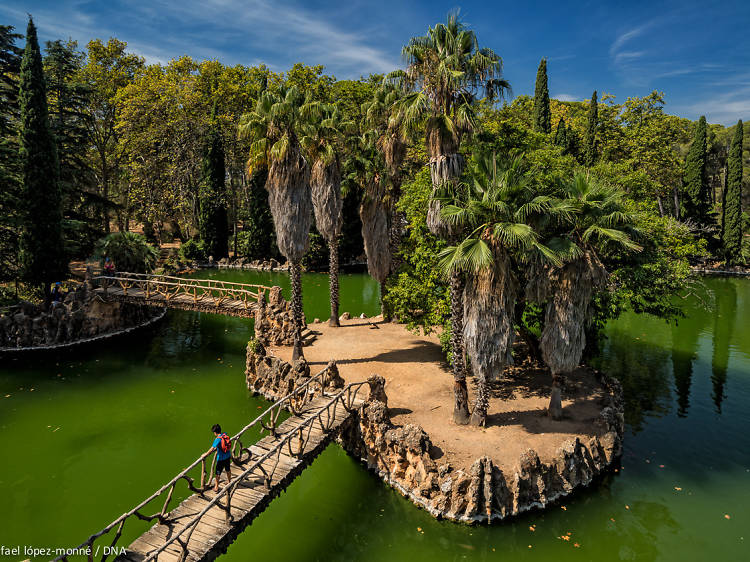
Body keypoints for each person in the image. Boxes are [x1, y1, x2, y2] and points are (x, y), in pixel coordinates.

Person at [206, 423, 232, 492]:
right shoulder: (224, 435)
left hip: (221, 459)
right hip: (228, 456)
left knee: (218, 473)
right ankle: (229, 482)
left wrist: (205, 454)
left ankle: (216, 487)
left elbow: (212, 448)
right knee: (228, 469)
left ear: (215, 432)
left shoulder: (217, 439)